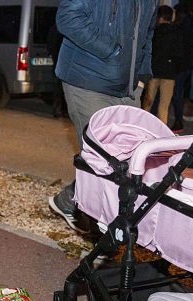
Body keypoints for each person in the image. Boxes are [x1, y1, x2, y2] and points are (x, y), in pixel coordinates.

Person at [48, 0, 157, 231]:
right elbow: (68, 18)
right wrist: (112, 50)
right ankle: (100, 236)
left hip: (127, 88)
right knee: (107, 164)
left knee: (131, 164)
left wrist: (142, 76)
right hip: (87, 82)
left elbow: (147, 33)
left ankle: (69, 201)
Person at [142, 5, 183, 125]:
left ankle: (141, 127)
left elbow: (148, 50)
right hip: (169, 73)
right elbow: (180, 54)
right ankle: (162, 133)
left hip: (154, 71)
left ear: (159, 17)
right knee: (164, 106)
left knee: (147, 103)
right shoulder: (176, 33)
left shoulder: (154, 31)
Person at [170, 1, 193, 132]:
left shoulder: (181, 28)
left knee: (177, 94)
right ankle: (178, 120)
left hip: (181, 66)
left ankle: (179, 121)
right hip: (186, 66)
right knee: (177, 93)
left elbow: (180, 50)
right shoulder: (189, 25)